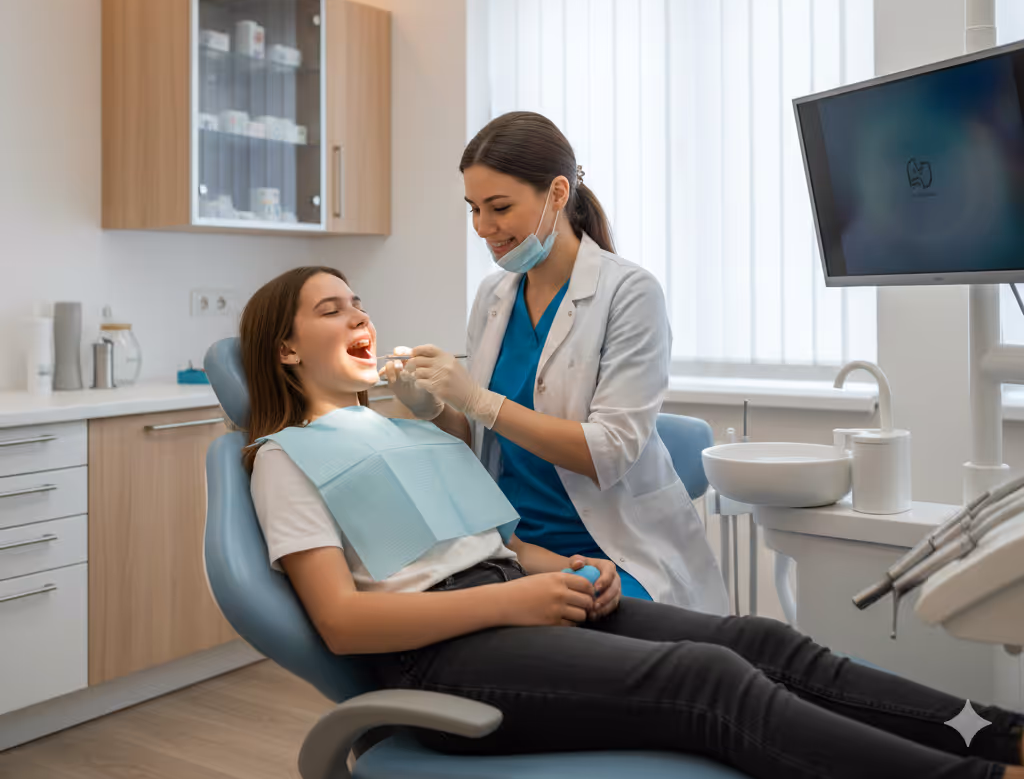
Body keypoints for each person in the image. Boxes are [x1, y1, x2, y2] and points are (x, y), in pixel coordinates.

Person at [241, 265, 1024, 779]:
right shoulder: (285, 458)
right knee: (709, 681)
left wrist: (568, 572)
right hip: (439, 656)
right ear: (284, 348)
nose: (358, 314)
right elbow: (342, 623)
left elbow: (496, 544)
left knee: (761, 641)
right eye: (330, 308)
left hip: (514, 604)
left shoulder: (409, 429)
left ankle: (1000, 732)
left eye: (360, 302)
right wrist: (513, 599)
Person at [381, 111, 728, 612]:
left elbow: (606, 451)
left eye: (499, 207)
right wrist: (436, 408)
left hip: (615, 549)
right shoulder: (493, 296)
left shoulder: (629, 292)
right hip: (516, 545)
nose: (483, 227)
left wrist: (477, 398)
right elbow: (482, 446)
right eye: (473, 209)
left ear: (558, 194)